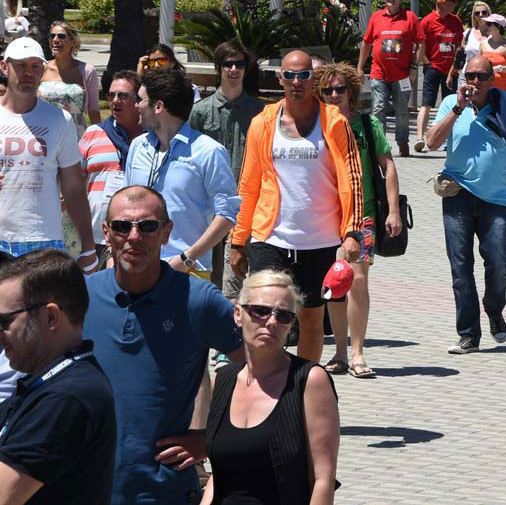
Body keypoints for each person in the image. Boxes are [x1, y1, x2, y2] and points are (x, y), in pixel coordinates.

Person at [85, 185, 242, 505]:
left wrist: (212, 439)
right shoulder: (80, 296)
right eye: (121, 226)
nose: (133, 237)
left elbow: (264, 374)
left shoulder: (198, 300)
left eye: (147, 226)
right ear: (106, 232)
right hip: (87, 487)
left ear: (166, 232)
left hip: (163, 490)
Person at [231, 49, 365, 364]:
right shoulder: (263, 123)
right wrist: (239, 240)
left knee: (311, 320)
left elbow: (353, 179)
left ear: (313, 80)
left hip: (319, 239)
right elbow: (248, 184)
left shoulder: (334, 122)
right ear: (281, 79)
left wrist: (352, 232)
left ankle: (305, 385)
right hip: (271, 237)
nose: (296, 82)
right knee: (263, 315)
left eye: (303, 75)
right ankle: (263, 379)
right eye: (289, 75)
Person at [425, 54, 506, 354]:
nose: (474, 82)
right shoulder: (451, 103)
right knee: (461, 267)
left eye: (481, 77)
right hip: (457, 197)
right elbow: (432, 142)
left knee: (499, 264)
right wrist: (458, 109)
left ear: (492, 79)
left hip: (495, 200)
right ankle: (468, 334)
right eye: (469, 76)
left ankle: (494, 308)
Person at [202, 269, 339, 505]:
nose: (272, 322)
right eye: (260, 311)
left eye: (284, 315)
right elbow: (220, 474)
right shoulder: (223, 381)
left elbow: (323, 479)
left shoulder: (309, 381)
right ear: (238, 314)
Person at [0, 250, 116, 505]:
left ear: (50, 316)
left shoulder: (67, 397)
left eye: (4, 321)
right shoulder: (49, 382)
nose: (0, 334)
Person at [317, 64, 402, 378]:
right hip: (325, 216)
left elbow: (388, 166)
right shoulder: (315, 127)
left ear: (351, 92)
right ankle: (339, 352)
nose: (335, 95)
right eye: (328, 90)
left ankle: (357, 352)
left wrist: (393, 210)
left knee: (358, 280)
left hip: (361, 213)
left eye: (340, 89)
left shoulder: (367, 125)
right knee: (334, 282)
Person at [124, 67, 240, 278]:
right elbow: (126, 205)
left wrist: (187, 258)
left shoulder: (208, 152)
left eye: (139, 100)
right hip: (138, 265)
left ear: (158, 106)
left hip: (187, 270)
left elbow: (226, 215)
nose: (135, 106)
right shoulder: (137, 146)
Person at [0, 39, 95, 266]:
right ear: (4, 67)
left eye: (35, 66)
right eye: (21, 65)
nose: (28, 73)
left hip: (44, 239)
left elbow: (73, 188)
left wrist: (88, 245)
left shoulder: (60, 120)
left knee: (47, 304)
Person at [189, 40, 265, 291]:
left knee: (244, 275)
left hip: (248, 203)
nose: (234, 70)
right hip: (209, 204)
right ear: (218, 68)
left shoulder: (260, 111)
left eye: (239, 64)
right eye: (228, 64)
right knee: (210, 273)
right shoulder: (200, 111)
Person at [79, 70, 143, 262]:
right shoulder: (93, 134)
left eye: (123, 95)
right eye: (111, 95)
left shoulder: (151, 140)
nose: (115, 100)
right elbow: (74, 181)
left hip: (136, 237)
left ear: (138, 100)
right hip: (94, 236)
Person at [358, 0, 422, 157]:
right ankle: (381, 144)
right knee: (378, 109)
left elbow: (420, 43)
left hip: (402, 75)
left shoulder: (410, 18)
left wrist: (414, 67)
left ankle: (402, 142)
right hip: (379, 73)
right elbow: (366, 43)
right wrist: (360, 67)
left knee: (402, 111)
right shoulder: (376, 17)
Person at [413, 0, 464, 153]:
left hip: (451, 71)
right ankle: (420, 138)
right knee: (426, 104)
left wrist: (455, 67)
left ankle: (448, 139)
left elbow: (459, 45)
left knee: (451, 105)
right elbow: (420, 46)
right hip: (433, 69)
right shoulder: (427, 21)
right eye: (452, 1)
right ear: (442, 3)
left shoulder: (456, 21)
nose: (455, 4)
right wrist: (428, 64)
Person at [39, 21, 100, 132]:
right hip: (44, 132)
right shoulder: (40, 69)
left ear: (73, 41)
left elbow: (93, 110)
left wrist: (99, 138)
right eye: (52, 36)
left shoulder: (87, 71)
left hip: (75, 134)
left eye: (61, 36)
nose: (55, 40)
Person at [480, 13, 506, 94]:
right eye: (487, 24)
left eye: (489, 24)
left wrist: (499, 68)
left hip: (502, 88)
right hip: (484, 88)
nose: (486, 26)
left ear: (498, 27)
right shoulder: (483, 44)